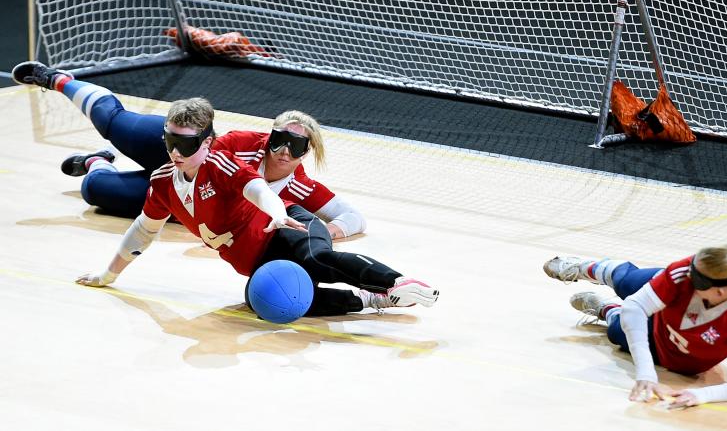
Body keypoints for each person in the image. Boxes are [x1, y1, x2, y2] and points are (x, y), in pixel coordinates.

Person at [69, 96, 439, 316]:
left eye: (187, 145)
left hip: (286, 226)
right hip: (257, 259)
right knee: (270, 301)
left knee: (314, 261)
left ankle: (400, 281)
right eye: (170, 143)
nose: (175, 153)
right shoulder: (164, 181)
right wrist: (108, 275)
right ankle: (372, 299)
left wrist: (278, 213)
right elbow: (143, 232)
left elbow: (256, 188)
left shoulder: (222, 163)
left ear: (208, 142)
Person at [12, 61, 363, 240]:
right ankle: (59, 80)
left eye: (296, 146)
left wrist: (325, 233)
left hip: (176, 196)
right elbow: (204, 163)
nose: (284, 151)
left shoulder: (300, 186)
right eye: (279, 140)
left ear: (306, 152)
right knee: (114, 124)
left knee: (94, 191)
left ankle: (95, 161)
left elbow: (353, 218)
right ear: (268, 136)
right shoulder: (243, 143)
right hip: (176, 150)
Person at [542, 245, 727, 408]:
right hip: (665, 311)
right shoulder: (686, 273)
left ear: (720, 292)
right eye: (692, 266)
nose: (688, 274)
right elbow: (636, 307)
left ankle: (608, 309)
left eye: (698, 278)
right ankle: (587, 268)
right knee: (628, 282)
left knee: (616, 331)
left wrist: (701, 395)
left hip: (668, 352)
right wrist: (645, 373)